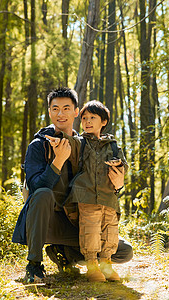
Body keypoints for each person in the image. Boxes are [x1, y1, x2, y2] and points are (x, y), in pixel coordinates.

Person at [12, 87, 133, 283]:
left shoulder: (87, 145)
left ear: (76, 112)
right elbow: (36, 190)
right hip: (47, 221)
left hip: (79, 221)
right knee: (43, 194)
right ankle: (34, 265)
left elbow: (98, 183)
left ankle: (66, 254)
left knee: (124, 252)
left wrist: (118, 185)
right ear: (49, 111)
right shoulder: (39, 144)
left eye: (66, 108)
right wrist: (57, 162)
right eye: (55, 108)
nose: (61, 114)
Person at [45, 100, 128, 282]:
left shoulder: (113, 145)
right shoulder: (80, 143)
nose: (87, 121)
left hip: (109, 198)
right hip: (86, 195)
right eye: (84, 118)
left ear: (103, 122)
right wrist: (56, 139)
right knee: (90, 231)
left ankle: (106, 266)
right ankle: (92, 266)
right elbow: (68, 143)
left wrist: (120, 166)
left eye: (92, 117)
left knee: (110, 232)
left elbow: (123, 166)